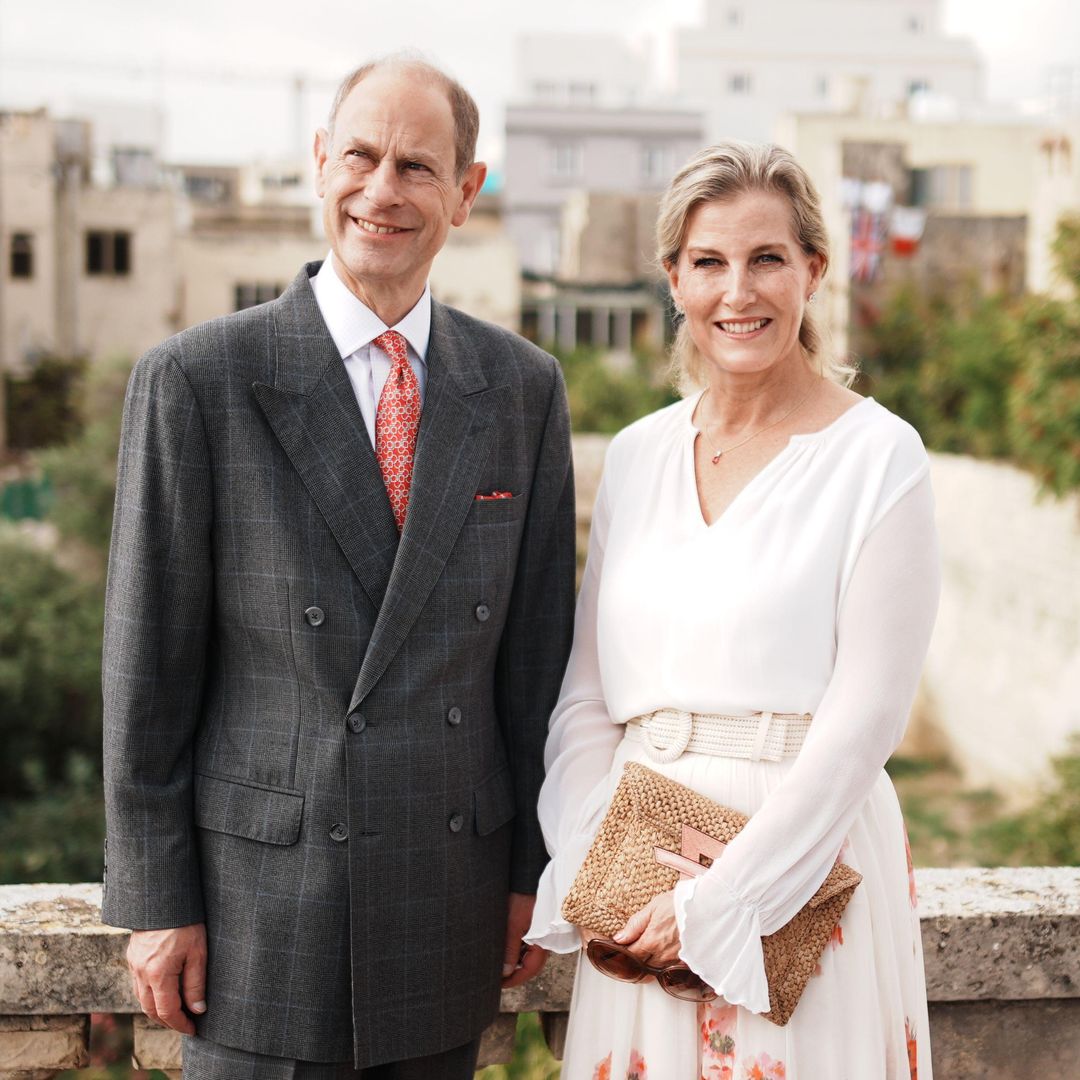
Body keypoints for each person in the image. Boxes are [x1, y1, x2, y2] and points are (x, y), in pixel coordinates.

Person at [101, 55, 576, 1079]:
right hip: (256, 913)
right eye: (360, 156)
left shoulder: (523, 389)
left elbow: (538, 662)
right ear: (320, 164)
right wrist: (155, 900)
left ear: (467, 191)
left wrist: (535, 867)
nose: (382, 190)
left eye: (417, 165)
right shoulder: (197, 381)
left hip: (447, 896)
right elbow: (146, 670)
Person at [525, 141, 940, 1080]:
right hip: (638, 868)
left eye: (766, 260)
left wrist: (726, 901)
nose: (736, 292)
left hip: (801, 873)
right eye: (709, 262)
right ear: (674, 278)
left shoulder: (880, 457)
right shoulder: (635, 454)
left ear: (813, 273)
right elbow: (586, 693)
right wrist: (598, 860)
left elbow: (866, 718)